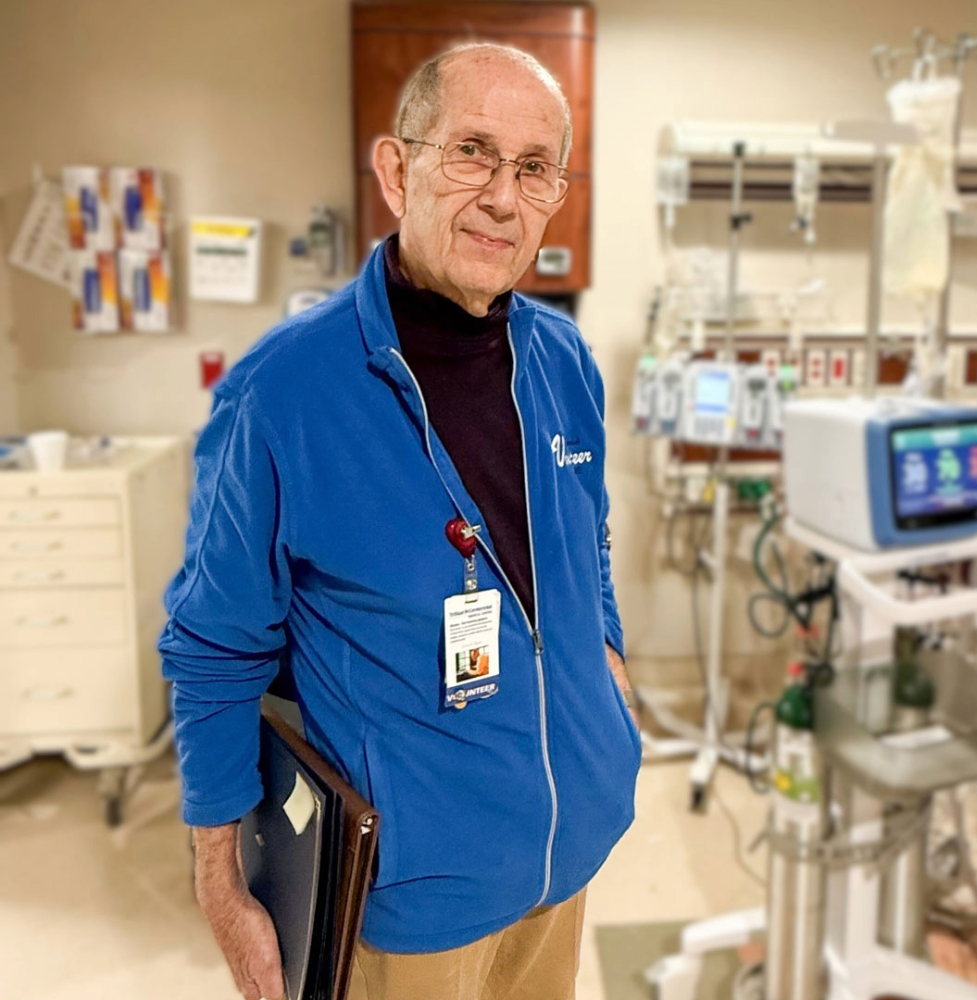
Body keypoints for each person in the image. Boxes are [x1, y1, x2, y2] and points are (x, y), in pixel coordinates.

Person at [160, 41, 641, 1000]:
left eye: (536, 167)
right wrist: (222, 882)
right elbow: (213, 645)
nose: (504, 197)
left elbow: (587, 539)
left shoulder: (565, 361)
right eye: (472, 151)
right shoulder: (284, 392)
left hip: (569, 857)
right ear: (397, 169)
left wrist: (609, 668)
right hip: (413, 903)